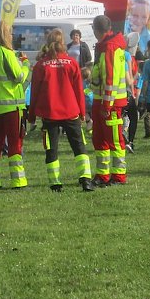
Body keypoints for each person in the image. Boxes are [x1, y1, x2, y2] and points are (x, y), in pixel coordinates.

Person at [27, 29, 94, 192]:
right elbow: (79, 90)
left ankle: (55, 183)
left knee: (51, 148)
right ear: (63, 43)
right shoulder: (71, 63)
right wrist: (82, 112)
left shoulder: (40, 65)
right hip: (71, 111)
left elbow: (34, 91)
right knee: (79, 146)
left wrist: (31, 115)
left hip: (49, 113)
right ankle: (85, 179)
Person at [0, 21, 30, 189]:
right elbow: (19, 77)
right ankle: (18, 180)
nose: (12, 37)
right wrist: (25, 64)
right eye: (10, 34)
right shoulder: (7, 53)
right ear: (6, 35)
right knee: (15, 143)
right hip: (11, 107)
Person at [90, 14, 130, 186]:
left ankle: (119, 176)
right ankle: (102, 174)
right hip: (102, 101)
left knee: (114, 140)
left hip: (111, 104)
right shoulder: (106, 46)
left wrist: (107, 104)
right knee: (99, 139)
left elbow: (111, 79)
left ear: (96, 30)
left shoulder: (111, 47)